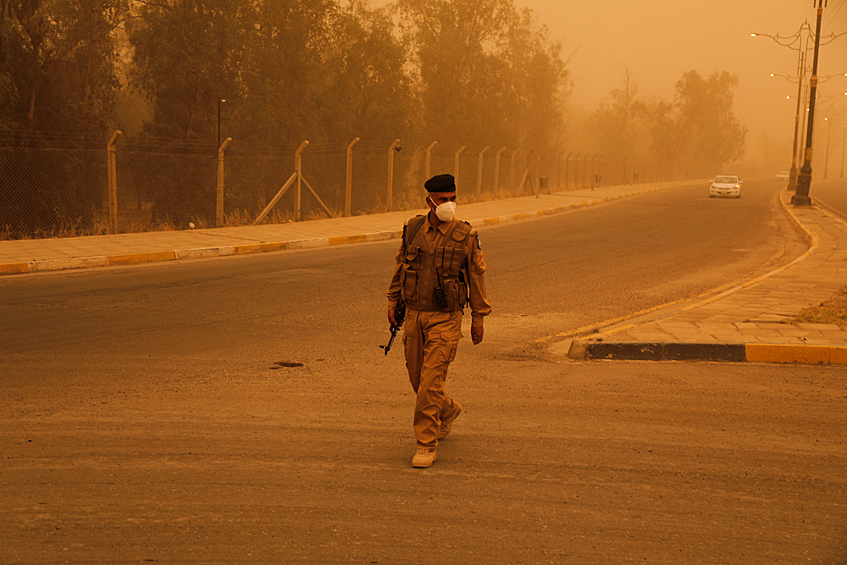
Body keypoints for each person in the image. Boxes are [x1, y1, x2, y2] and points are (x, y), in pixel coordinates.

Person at [386, 173, 492, 468]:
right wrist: (393, 301)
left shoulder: (466, 235)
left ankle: (425, 443)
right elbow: (401, 266)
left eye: (453, 199)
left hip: (446, 319)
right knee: (418, 380)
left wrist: (478, 318)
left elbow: (476, 276)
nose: (449, 205)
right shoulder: (412, 228)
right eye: (443, 200)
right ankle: (448, 409)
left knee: (431, 382)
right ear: (429, 201)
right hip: (414, 315)